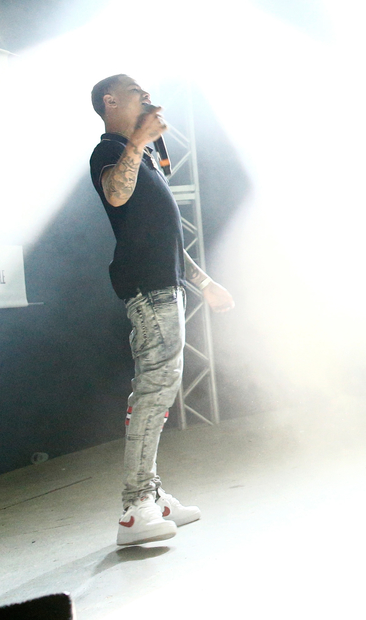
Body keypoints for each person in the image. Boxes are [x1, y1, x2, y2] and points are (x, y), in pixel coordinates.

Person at [89, 74, 235, 545]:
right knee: (153, 391)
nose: (150, 99)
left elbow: (167, 238)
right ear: (111, 101)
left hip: (164, 286)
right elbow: (115, 193)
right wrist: (136, 143)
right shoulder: (109, 150)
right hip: (146, 291)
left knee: (159, 389)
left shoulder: (147, 157)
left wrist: (204, 283)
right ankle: (135, 508)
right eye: (138, 93)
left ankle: (150, 493)